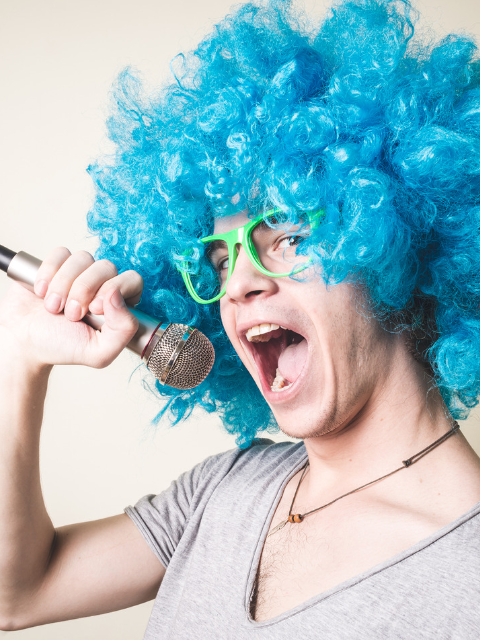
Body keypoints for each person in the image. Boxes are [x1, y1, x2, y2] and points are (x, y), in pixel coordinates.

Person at [1, 0, 480, 636]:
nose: (240, 284)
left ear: (396, 247)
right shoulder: (227, 487)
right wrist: (19, 357)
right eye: (221, 260)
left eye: (286, 237)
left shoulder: (465, 578)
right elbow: (16, 596)